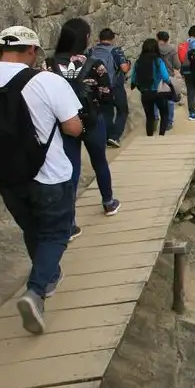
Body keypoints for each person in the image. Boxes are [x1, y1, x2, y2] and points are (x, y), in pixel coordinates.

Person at [0, 25, 83, 334]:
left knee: (32, 228)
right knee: (54, 233)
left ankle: (47, 276)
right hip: (50, 175)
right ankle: (36, 292)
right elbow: (74, 128)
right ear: (32, 51)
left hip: (5, 177)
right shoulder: (47, 81)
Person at [46, 18, 121, 243]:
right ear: (85, 38)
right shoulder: (95, 64)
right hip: (91, 120)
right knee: (99, 162)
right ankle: (108, 203)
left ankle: (69, 223)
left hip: (64, 123)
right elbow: (108, 94)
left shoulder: (49, 65)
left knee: (70, 170)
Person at [87, 28, 131, 148]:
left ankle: (105, 137)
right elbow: (124, 68)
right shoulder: (116, 50)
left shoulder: (91, 51)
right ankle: (114, 136)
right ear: (112, 39)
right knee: (123, 111)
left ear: (99, 38)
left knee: (106, 112)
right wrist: (129, 63)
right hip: (114, 86)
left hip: (97, 87)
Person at [130, 38, 174, 136]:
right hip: (159, 92)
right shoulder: (158, 61)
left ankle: (149, 136)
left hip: (145, 93)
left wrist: (136, 86)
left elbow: (133, 78)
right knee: (164, 114)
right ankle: (161, 135)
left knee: (149, 117)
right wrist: (170, 85)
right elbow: (165, 77)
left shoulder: (138, 62)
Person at [156, 31, 181, 131]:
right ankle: (169, 122)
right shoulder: (172, 50)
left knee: (156, 99)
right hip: (169, 77)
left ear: (158, 38)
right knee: (170, 100)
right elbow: (177, 65)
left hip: (156, 77)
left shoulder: (154, 50)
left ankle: (155, 118)